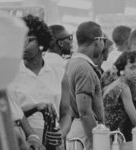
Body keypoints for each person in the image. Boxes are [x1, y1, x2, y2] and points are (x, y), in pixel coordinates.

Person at [7, 14, 61, 149]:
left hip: (53, 141)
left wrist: (62, 132)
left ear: (41, 42)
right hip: (26, 142)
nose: (23, 45)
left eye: (29, 40)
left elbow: (66, 112)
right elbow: (13, 113)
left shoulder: (57, 70)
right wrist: (36, 108)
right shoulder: (10, 72)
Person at [59, 21, 106, 150]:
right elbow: (85, 112)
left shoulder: (71, 63)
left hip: (76, 130)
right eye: (103, 40)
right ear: (97, 41)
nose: (103, 44)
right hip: (85, 132)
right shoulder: (84, 68)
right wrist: (96, 143)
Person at [102, 51, 136, 141]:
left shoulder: (116, 83)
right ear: (122, 70)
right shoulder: (123, 87)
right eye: (132, 68)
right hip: (115, 138)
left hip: (107, 135)